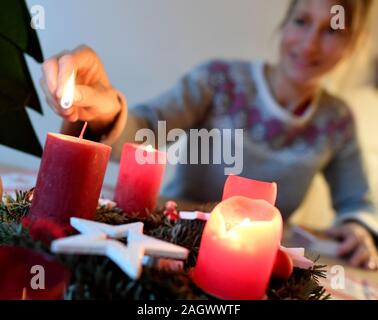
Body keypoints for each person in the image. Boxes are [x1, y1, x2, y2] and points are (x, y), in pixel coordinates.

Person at [40, 0, 378, 269]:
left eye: (333, 29)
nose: (310, 44)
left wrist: (358, 229)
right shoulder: (218, 80)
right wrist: (109, 111)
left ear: (354, 43)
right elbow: (146, 132)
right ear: (285, 22)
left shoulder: (337, 121)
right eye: (302, 21)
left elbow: (356, 202)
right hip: (168, 242)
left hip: (255, 270)